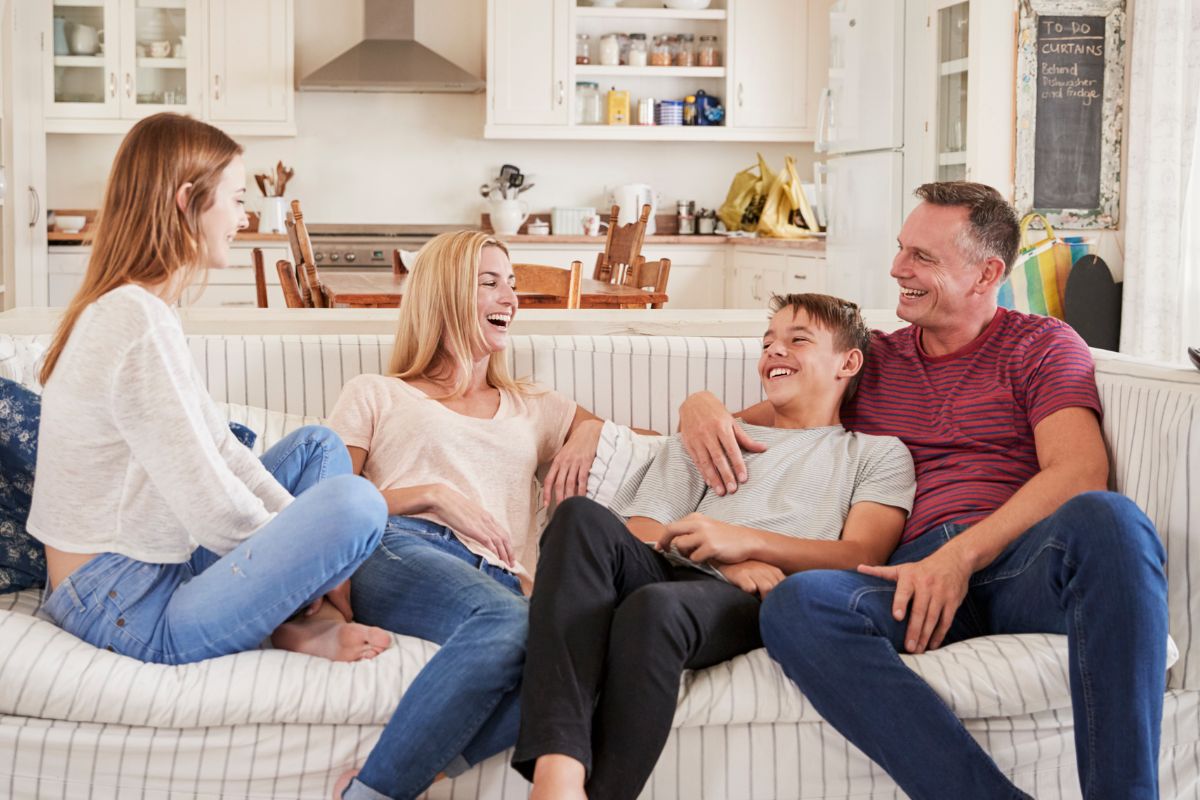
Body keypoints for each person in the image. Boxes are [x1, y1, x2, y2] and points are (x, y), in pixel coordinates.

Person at [677, 182, 1169, 798]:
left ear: (987, 272)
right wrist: (696, 407)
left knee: (1112, 520)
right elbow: (751, 424)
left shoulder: (1042, 346)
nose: (896, 269)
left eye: (922, 258)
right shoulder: (870, 361)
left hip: (1017, 565)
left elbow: (1078, 472)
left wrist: (959, 558)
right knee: (797, 606)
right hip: (904, 580)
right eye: (902, 249)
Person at [513, 293, 917, 800]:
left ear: (848, 362)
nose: (775, 351)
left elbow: (861, 555)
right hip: (679, 567)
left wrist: (747, 545)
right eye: (768, 342)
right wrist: (724, 558)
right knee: (577, 517)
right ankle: (558, 774)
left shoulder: (876, 455)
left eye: (798, 340)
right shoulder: (713, 434)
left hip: (754, 599)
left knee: (653, 610)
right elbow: (641, 531)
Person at [28, 113, 391, 666]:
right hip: (123, 605)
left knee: (318, 446)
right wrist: (299, 560)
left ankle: (295, 619)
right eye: (238, 199)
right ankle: (301, 620)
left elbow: (219, 448)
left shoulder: (141, 309)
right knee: (357, 504)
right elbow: (210, 506)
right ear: (186, 201)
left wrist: (297, 554)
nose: (244, 218)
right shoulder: (134, 321)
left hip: (139, 572)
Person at [327, 231, 614, 800]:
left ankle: (431, 764)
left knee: (594, 652)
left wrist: (590, 432)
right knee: (513, 622)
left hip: (502, 576)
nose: (510, 297)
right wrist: (428, 494)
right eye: (489, 283)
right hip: (399, 545)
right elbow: (326, 506)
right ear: (443, 295)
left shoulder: (537, 406)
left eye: (513, 285)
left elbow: (643, 448)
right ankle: (374, 792)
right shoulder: (377, 393)